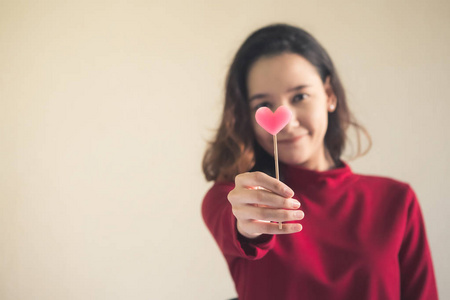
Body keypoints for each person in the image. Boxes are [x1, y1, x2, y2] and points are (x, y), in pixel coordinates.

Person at [201, 24, 438, 300]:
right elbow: (238, 224)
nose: (286, 122)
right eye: (263, 104)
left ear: (329, 95)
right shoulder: (232, 199)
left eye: (299, 97)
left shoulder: (397, 201)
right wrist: (247, 224)